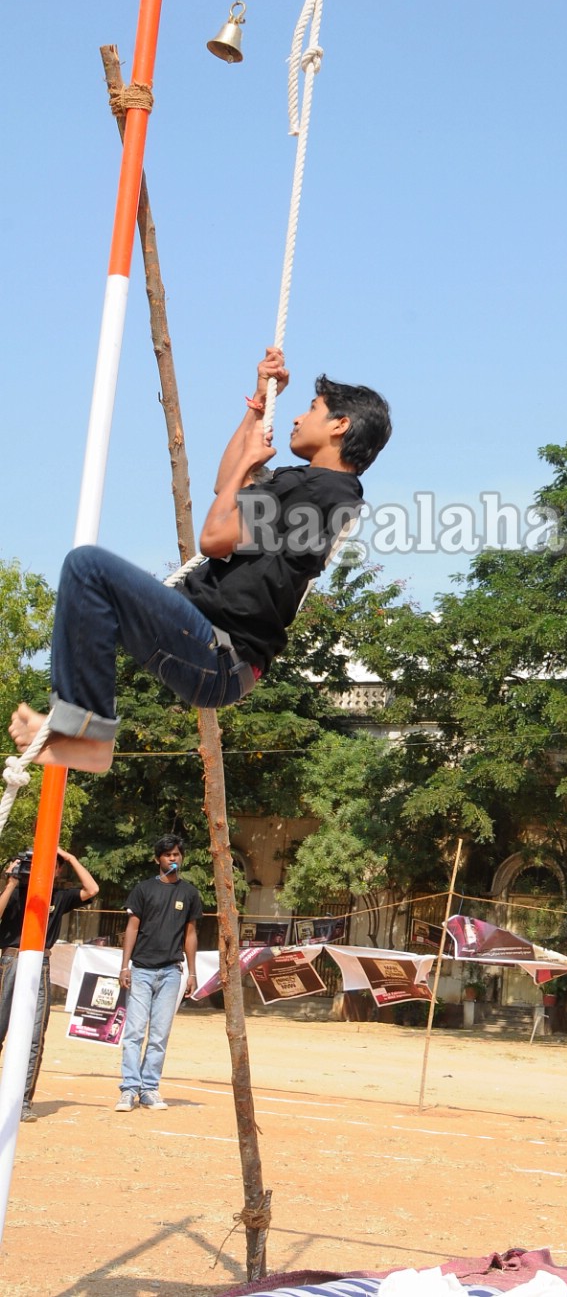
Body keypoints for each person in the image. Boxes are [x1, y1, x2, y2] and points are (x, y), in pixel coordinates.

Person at [8, 349, 391, 775]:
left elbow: (213, 537)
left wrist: (248, 463)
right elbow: (223, 487)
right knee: (93, 592)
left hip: (219, 653)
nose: (298, 418)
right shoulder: (310, 486)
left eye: (312, 409)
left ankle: (87, 737)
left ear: (341, 425)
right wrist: (259, 406)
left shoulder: (324, 493)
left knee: (88, 568)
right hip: (208, 647)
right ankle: (77, 729)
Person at [0, 846, 99, 1121]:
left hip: (40, 964)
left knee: (33, 1036)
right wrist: (11, 882)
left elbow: (91, 889)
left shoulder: (60, 895)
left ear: (58, 870)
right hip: (10, 959)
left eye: (52, 864)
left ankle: (22, 1102)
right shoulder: (15, 891)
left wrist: (70, 856)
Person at [116, 833, 203, 1112]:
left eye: (177, 854)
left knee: (159, 1035)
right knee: (134, 1033)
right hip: (141, 969)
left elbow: (190, 934)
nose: (173, 858)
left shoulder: (189, 893)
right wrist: (124, 965)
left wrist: (192, 973)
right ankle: (129, 1089)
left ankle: (149, 1089)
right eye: (168, 855)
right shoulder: (143, 889)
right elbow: (132, 927)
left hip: (171, 972)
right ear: (158, 859)